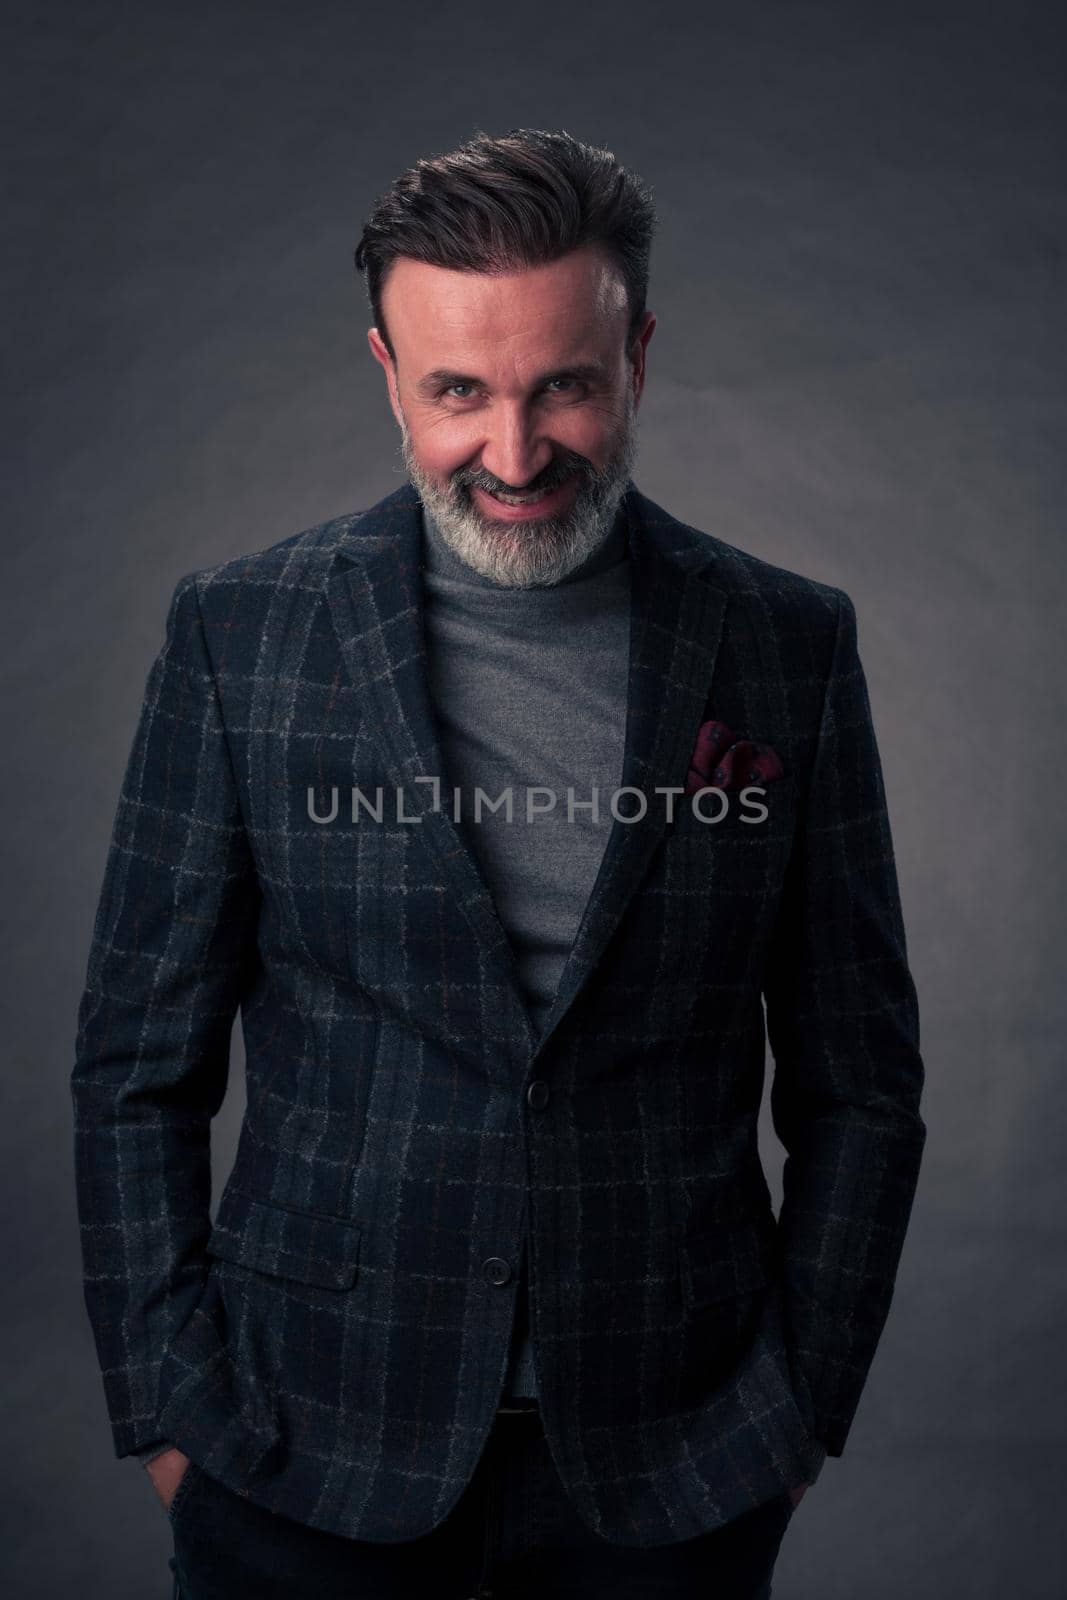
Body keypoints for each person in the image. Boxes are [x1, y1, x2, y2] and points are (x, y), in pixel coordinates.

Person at [71, 127, 926, 1598]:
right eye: (458, 392)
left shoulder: (786, 646)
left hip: (675, 1471)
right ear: (387, 370)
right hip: (300, 1449)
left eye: (565, 387)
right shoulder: (243, 634)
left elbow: (862, 1079)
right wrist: (167, 1409)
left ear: (637, 359)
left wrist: (795, 1414)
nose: (513, 454)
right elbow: (137, 1063)